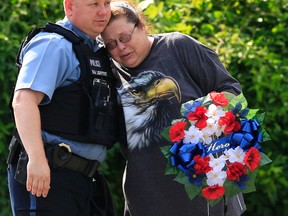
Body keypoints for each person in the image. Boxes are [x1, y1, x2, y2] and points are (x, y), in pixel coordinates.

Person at [101, 1, 247, 216]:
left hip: (206, 192)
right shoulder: (109, 73)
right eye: (111, 44)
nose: (121, 47)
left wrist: (206, 115)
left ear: (141, 26)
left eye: (125, 38)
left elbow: (232, 91)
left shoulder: (177, 47)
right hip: (147, 199)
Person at [7, 0, 120, 215]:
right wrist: (37, 160)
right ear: (69, 7)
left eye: (106, 3)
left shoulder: (97, 51)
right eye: (93, 4)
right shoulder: (53, 44)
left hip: (86, 179)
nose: (103, 11)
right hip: (49, 174)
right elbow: (23, 102)